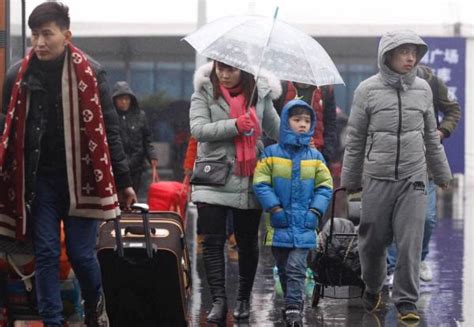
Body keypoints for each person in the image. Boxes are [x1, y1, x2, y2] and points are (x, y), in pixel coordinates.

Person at [0, 2, 136, 326]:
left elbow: (109, 130)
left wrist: (124, 180)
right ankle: (53, 320)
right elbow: (5, 124)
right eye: (34, 35)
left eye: (47, 34)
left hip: (83, 180)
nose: (39, 42)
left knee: (80, 254)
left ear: (66, 34)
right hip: (40, 181)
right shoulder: (17, 74)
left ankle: (94, 301)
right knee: (46, 252)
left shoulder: (91, 71)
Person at [341, 30, 452, 323]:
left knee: (410, 241)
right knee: (373, 241)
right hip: (376, 178)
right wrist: (350, 180)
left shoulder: (424, 90)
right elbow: (355, 138)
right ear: (387, 55)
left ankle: (406, 302)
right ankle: (374, 286)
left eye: (414, 52)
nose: (411, 57)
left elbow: (430, 135)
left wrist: (441, 173)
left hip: (413, 179)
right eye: (404, 51)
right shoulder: (366, 90)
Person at [189, 60, 280, 324]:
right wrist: (235, 125)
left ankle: (243, 298)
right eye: (221, 68)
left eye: (231, 69)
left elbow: (275, 128)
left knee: (247, 242)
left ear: (245, 70)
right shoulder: (203, 92)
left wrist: (300, 130)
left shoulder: (259, 94)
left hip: (249, 176)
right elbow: (199, 130)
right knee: (213, 240)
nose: (225, 75)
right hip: (213, 175)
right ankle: (218, 300)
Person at [253, 99, 333, 326]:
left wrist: (315, 211)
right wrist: (274, 207)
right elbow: (261, 183)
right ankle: (292, 303)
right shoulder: (271, 154)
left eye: (307, 121)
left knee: (296, 266)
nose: (302, 125)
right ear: (286, 122)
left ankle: (292, 308)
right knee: (283, 267)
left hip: (306, 223)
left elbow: (325, 186)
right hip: (279, 222)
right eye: (297, 120)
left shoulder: (315, 157)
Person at [386, 64, 461, 283]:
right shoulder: (382, 83)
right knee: (392, 217)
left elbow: (453, 109)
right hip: (392, 162)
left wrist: (441, 131)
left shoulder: (432, 81)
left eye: (412, 53)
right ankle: (392, 268)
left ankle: (419, 258)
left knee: (426, 218)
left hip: (424, 162)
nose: (407, 59)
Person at [112, 81, 158, 195]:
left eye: (126, 99)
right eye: (120, 99)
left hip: (137, 166)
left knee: (134, 198)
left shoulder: (140, 116)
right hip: (117, 167)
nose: (124, 102)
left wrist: (152, 156)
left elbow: (147, 139)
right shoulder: (110, 117)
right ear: (114, 100)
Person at [274, 82, 337, 164]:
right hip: (284, 155)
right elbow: (272, 123)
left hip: (316, 154)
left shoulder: (325, 90)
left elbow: (330, 124)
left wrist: (325, 155)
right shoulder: (282, 88)